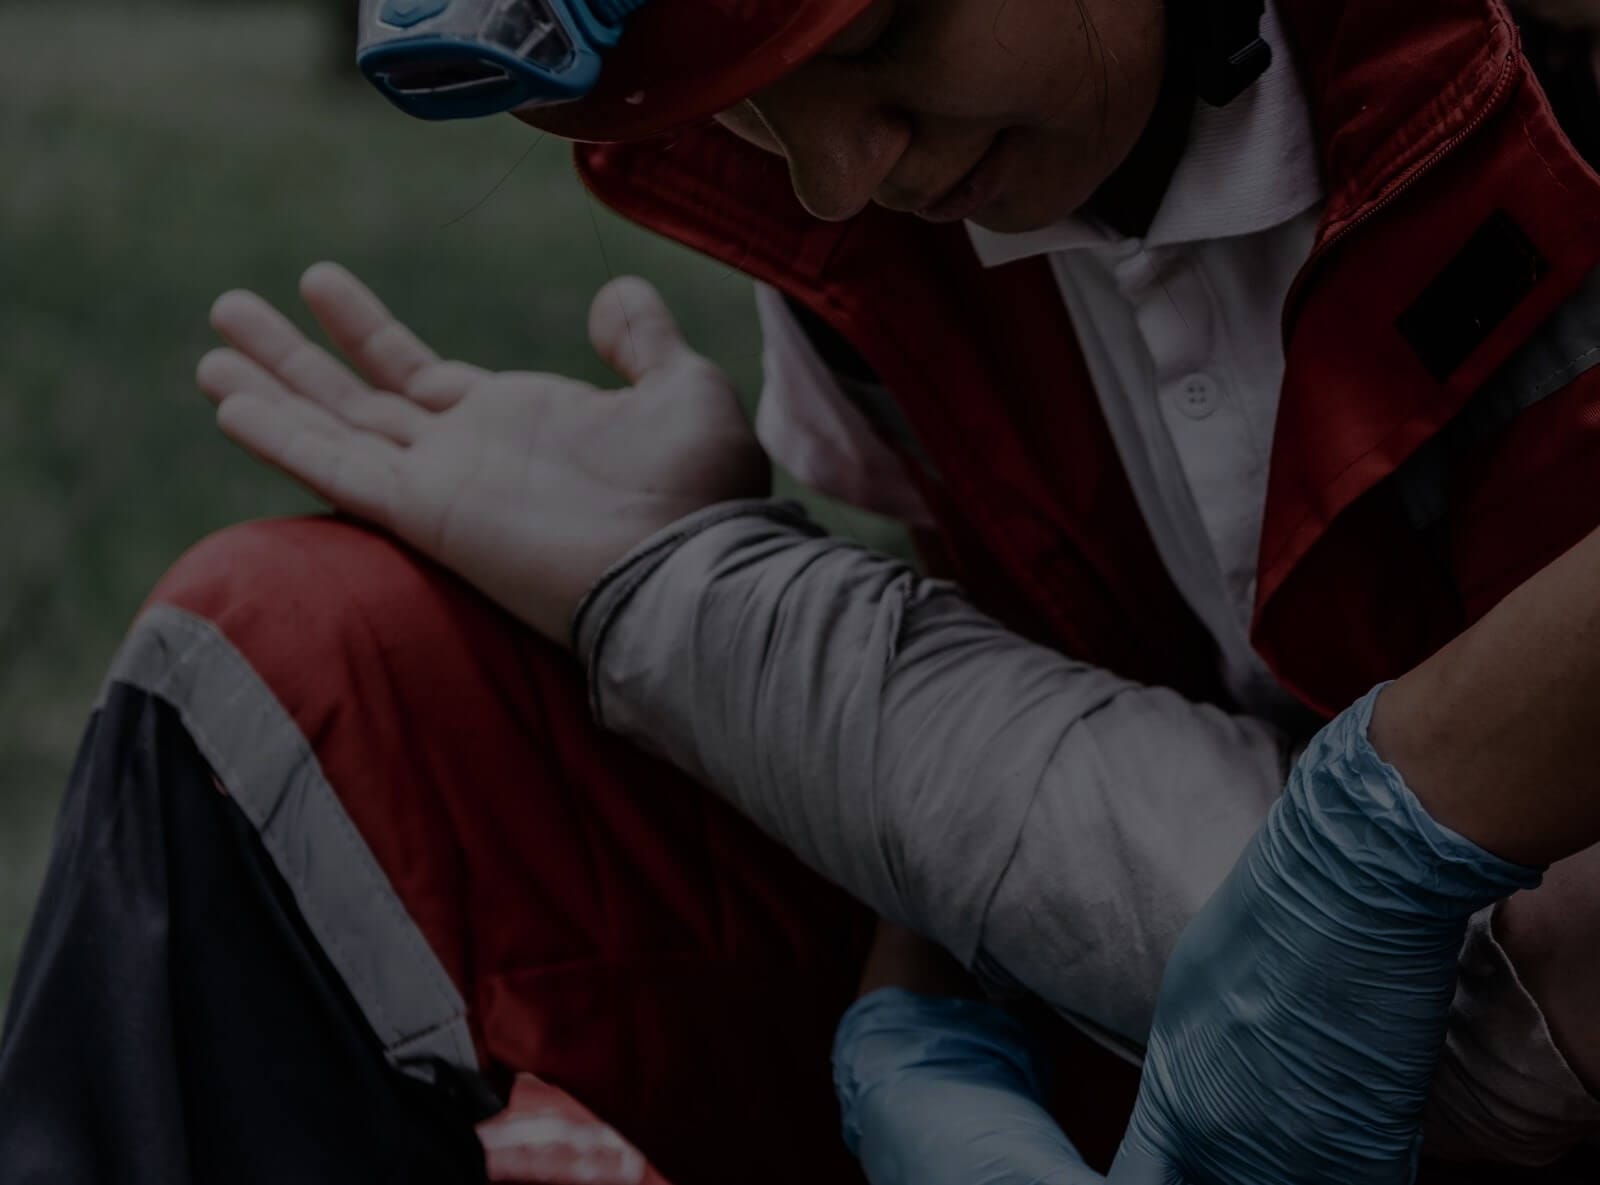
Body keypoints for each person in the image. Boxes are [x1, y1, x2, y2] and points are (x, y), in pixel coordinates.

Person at [5, 0, 1600, 1180]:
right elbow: (1016, 646)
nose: (838, 176)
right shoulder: (903, 187)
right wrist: (916, 1034)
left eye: (883, 32)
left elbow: (1518, 1002)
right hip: (1157, 1026)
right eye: (768, 104)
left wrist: (705, 611)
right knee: (291, 663)